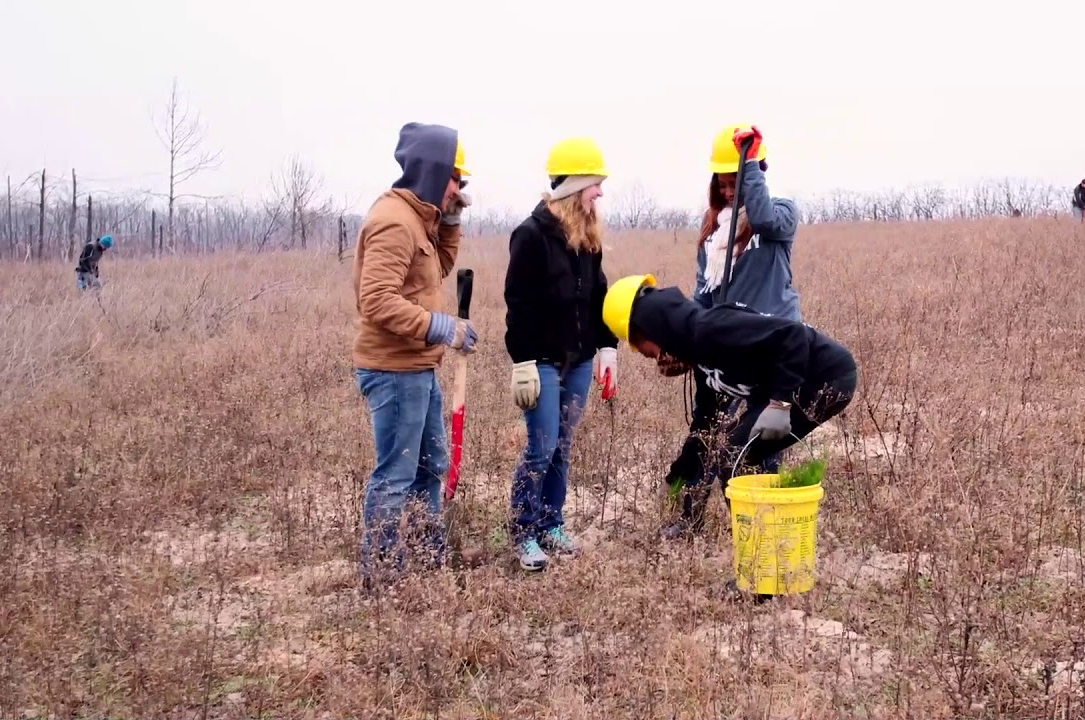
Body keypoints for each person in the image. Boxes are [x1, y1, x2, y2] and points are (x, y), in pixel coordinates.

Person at [603, 274, 858, 536]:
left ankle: (761, 550)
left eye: (637, 343)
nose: (643, 353)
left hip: (825, 378)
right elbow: (706, 427)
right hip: (798, 383)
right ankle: (695, 524)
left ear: (652, 328)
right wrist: (677, 473)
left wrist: (780, 403)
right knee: (723, 446)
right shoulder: (701, 358)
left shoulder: (712, 329)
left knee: (733, 453)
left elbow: (793, 336)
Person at [661, 123, 804, 539]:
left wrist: (750, 165)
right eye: (722, 184)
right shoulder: (711, 233)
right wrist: (684, 339)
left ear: (757, 173)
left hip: (770, 349)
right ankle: (688, 519)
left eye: (734, 182)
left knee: (757, 443)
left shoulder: (779, 215)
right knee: (704, 433)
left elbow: (758, 214)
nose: (728, 192)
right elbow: (702, 296)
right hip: (724, 348)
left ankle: (760, 529)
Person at [352, 122, 476, 591]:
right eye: (454, 179)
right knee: (397, 474)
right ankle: (382, 576)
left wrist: (450, 221)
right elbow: (377, 299)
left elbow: (436, 271)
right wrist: (442, 327)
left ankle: (426, 557)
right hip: (393, 369)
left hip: (418, 366)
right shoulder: (392, 221)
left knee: (430, 466)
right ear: (432, 170)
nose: (459, 189)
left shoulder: (417, 219)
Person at [504, 136, 617, 572]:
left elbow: (599, 297)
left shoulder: (589, 237)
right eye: (595, 184)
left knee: (563, 446)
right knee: (542, 444)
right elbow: (518, 303)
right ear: (573, 186)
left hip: (580, 359)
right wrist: (524, 361)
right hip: (543, 362)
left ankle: (552, 524)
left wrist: (608, 346)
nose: (600, 193)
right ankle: (523, 532)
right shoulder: (530, 236)